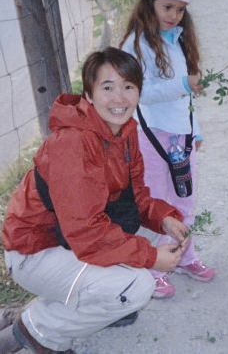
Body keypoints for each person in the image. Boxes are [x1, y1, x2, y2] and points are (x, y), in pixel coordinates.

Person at [0, 47, 189, 354]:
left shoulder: (124, 131)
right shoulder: (73, 143)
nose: (119, 98)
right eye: (107, 87)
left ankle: (87, 302)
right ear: (88, 94)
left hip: (67, 241)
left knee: (155, 234)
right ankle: (33, 329)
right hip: (34, 251)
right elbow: (86, 232)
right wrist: (151, 259)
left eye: (128, 87)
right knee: (137, 286)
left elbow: (135, 197)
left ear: (138, 91)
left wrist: (164, 217)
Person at [120, 0, 215, 300]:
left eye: (180, 8)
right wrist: (182, 85)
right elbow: (136, 92)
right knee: (158, 204)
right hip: (152, 136)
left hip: (181, 137)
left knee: (185, 200)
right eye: (167, 7)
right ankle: (155, 265)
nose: (174, 14)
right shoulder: (137, 43)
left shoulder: (175, 40)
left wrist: (196, 130)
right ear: (149, 3)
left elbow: (184, 101)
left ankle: (184, 255)